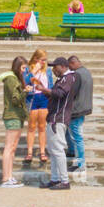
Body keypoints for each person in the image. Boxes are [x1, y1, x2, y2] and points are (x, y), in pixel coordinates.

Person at [33, 57, 78, 190]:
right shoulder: (63, 79)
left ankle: (64, 181)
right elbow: (55, 95)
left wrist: (44, 89)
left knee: (58, 150)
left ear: (64, 66)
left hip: (58, 118)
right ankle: (55, 179)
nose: (53, 70)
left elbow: (60, 94)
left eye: (55, 67)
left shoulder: (68, 78)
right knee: (53, 151)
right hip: (54, 118)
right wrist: (44, 91)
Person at [0, 55, 30, 187]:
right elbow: (15, 99)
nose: (24, 70)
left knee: (12, 148)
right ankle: (6, 178)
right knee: (9, 147)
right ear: (18, 67)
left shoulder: (14, 78)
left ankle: (9, 177)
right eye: (23, 68)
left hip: (17, 115)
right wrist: (25, 91)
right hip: (12, 115)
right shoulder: (11, 79)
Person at [23, 50, 52, 167]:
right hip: (32, 98)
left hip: (43, 98)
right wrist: (33, 71)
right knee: (31, 126)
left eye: (45, 60)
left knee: (42, 126)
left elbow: (50, 85)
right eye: (42, 60)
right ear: (35, 58)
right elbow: (24, 82)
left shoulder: (48, 70)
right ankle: (29, 152)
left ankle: (42, 151)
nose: (44, 62)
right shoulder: (28, 69)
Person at [66, 55, 92, 173]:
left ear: (72, 63)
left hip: (76, 109)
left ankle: (80, 164)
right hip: (84, 107)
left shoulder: (77, 75)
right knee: (73, 134)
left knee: (77, 137)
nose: (69, 69)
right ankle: (71, 151)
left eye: (69, 66)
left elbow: (72, 92)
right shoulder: (86, 72)